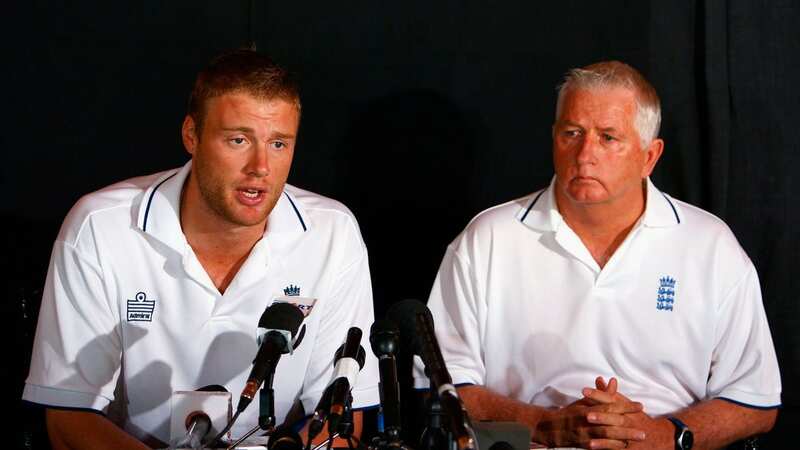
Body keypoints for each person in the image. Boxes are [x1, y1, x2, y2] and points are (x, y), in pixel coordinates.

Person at [23, 49, 379, 449]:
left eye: (279, 144)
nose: (260, 166)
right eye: (238, 139)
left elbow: (340, 420)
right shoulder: (100, 226)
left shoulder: (333, 233)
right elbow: (69, 420)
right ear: (192, 136)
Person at [414, 61, 781, 449]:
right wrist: (543, 424)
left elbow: (755, 400)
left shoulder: (710, 246)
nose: (585, 154)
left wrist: (665, 435)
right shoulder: (488, 239)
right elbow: (439, 389)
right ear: (553, 138)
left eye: (608, 137)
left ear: (649, 156)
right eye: (572, 133)